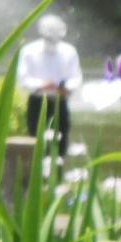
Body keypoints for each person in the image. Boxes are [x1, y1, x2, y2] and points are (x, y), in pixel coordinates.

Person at [18, 14, 81, 155]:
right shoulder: (29, 51)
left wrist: (65, 87)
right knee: (36, 141)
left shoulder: (69, 51)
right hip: (38, 101)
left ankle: (57, 174)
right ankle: (36, 174)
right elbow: (23, 79)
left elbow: (75, 77)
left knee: (61, 141)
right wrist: (42, 85)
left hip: (60, 100)